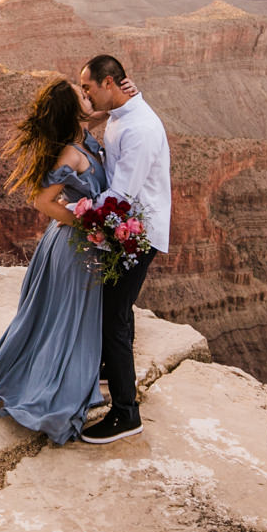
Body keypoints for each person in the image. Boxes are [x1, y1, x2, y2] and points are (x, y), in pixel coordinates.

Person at [0, 79, 108, 445]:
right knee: (65, 320)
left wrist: (127, 96)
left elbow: (105, 110)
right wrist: (91, 221)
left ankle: (55, 373)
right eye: (82, 94)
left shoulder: (81, 134)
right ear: (73, 110)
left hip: (75, 243)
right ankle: (50, 389)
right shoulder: (70, 153)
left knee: (61, 317)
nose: (88, 95)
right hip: (72, 245)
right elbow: (43, 203)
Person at [76, 54, 171, 444]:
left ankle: (126, 413)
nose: (85, 94)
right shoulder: (121, 112)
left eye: (88, 88)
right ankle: (110, 370)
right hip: (124, 229)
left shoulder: (140, 129)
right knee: (115, 310)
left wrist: (70, 210)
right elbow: (101, 117)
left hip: (138, 233)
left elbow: (121, 196)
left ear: (110, 83)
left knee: (113, 317)